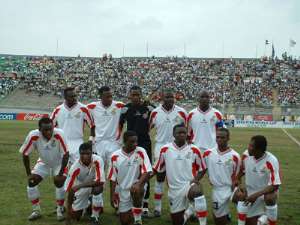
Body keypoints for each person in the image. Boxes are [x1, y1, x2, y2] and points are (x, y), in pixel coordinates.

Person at [153, 124, 208, 225]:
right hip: (174, 190)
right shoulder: (165, 149)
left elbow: (203, 168)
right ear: (174, 134)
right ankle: (190, 211)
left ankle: (203, 222)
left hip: (188, 185)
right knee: (178, 222)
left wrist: (196, 180)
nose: (182, 135)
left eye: (184, 132)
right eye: (179, 132)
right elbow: (157, 168)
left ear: (187, 134)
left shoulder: (194, 149)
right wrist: (142, 180)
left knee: (197, 191)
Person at [19, 117, 69, 221]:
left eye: (50, 128)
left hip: (59, 162)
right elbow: (25, 154)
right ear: (39, 129)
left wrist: (60, 173)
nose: (49, 132)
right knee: (31, 182)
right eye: (45, 130)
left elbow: (66, 154)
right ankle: (36, 210)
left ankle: (60, 209)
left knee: (58, 181)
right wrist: (29, 174)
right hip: (44, 162)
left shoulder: (59, 134)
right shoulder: (33, 135)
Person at [149, 88, 187, 216]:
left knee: (176, 177)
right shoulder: (155, 112)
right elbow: (148, 129)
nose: (170, 99)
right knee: (160, 177)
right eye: (167, 97)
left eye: (172, 97)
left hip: (176, 148)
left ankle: (180, 205)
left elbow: (186, 131)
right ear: (162, 98)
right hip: (160, 147)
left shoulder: (181, 112)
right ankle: (157, 208)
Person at [87, 86, 124, 211]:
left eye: (111, 96)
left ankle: (117, 203)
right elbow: (89, 123)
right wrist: (91, 140)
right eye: (107, 96)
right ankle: (97, 203)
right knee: (98, 174)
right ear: (100, 96)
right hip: (98, 144)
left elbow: (132, 106)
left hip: (114, 144)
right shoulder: (91, 107)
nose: (110, 98)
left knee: (116, 175)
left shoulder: (119, 106)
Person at [120, 86, 155, 216]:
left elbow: (158, 116)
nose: (135, 97)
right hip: (130, 145)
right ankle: (124, 202)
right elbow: (119, 125)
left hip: (145, 144)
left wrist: (149, 103)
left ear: (141, 95)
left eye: (138, 95)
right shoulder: (125, 108)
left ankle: (145, 205)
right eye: (133, 95)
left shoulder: (149, 108)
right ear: (129, 95)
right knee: (128, 171)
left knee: (145, 172)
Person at [234, 135, 281, 225]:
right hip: (250, 192)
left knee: (270, 198)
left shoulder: (271, 160)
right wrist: (240, 186)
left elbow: (275, 185)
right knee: (238, 195)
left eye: (251, 146)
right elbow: (238, 176)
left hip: (265, 193)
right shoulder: (246, 156)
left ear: (259, 149)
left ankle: (271, 221)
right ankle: (263, 218)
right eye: (249, 145)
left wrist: (256, 195)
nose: (248, 148)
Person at [108, 131, 152, 225]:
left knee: (136, 190)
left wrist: (139, 184)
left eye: (136, 141)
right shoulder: (115, 156)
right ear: (124, 141)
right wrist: (112, 196)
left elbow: (147, 171)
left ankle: (138, 219)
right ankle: (134, 214)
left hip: (138, 186)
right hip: (123, 191)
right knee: (125, 221)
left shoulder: (140, 152)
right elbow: (112, 178)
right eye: (132, 142)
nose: (135, 144)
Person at [202, 128, 241, 225]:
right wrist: (195, 180)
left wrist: (237, 184)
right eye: (218, 137)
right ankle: (226, 214)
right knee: (218, 221)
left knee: (242, 200)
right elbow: (203, 169)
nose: (219, 139)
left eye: (222, 137)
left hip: (231, 188)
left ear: (228, 138)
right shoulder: (208, 153)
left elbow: (238, 175)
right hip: (217, 189)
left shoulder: (235, 156)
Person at [51, 87, 95, 164]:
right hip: (62, 142)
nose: (75, 98)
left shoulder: (83, 108)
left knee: (78, 167)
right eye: (71, 96)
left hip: (77, 141)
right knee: (61, 168)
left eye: (75, 96)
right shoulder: (58, 110)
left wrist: (91, 140)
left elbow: (92, 125)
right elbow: (51, 126)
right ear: (65, 97)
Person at [65, 142, 105, 225]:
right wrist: (68, 216)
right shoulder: (75, 167)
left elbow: (100, 181)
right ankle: (88, 204)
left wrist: (80, 186)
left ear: (92, 153)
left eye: (88, 153)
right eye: (82, 154)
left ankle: (95, 217)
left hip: (92, 185)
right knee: (75, 216)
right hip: (80, 189)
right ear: (79, 154)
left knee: (98, 188)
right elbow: (70, 190)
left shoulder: (97, 160)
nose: (85, 156)